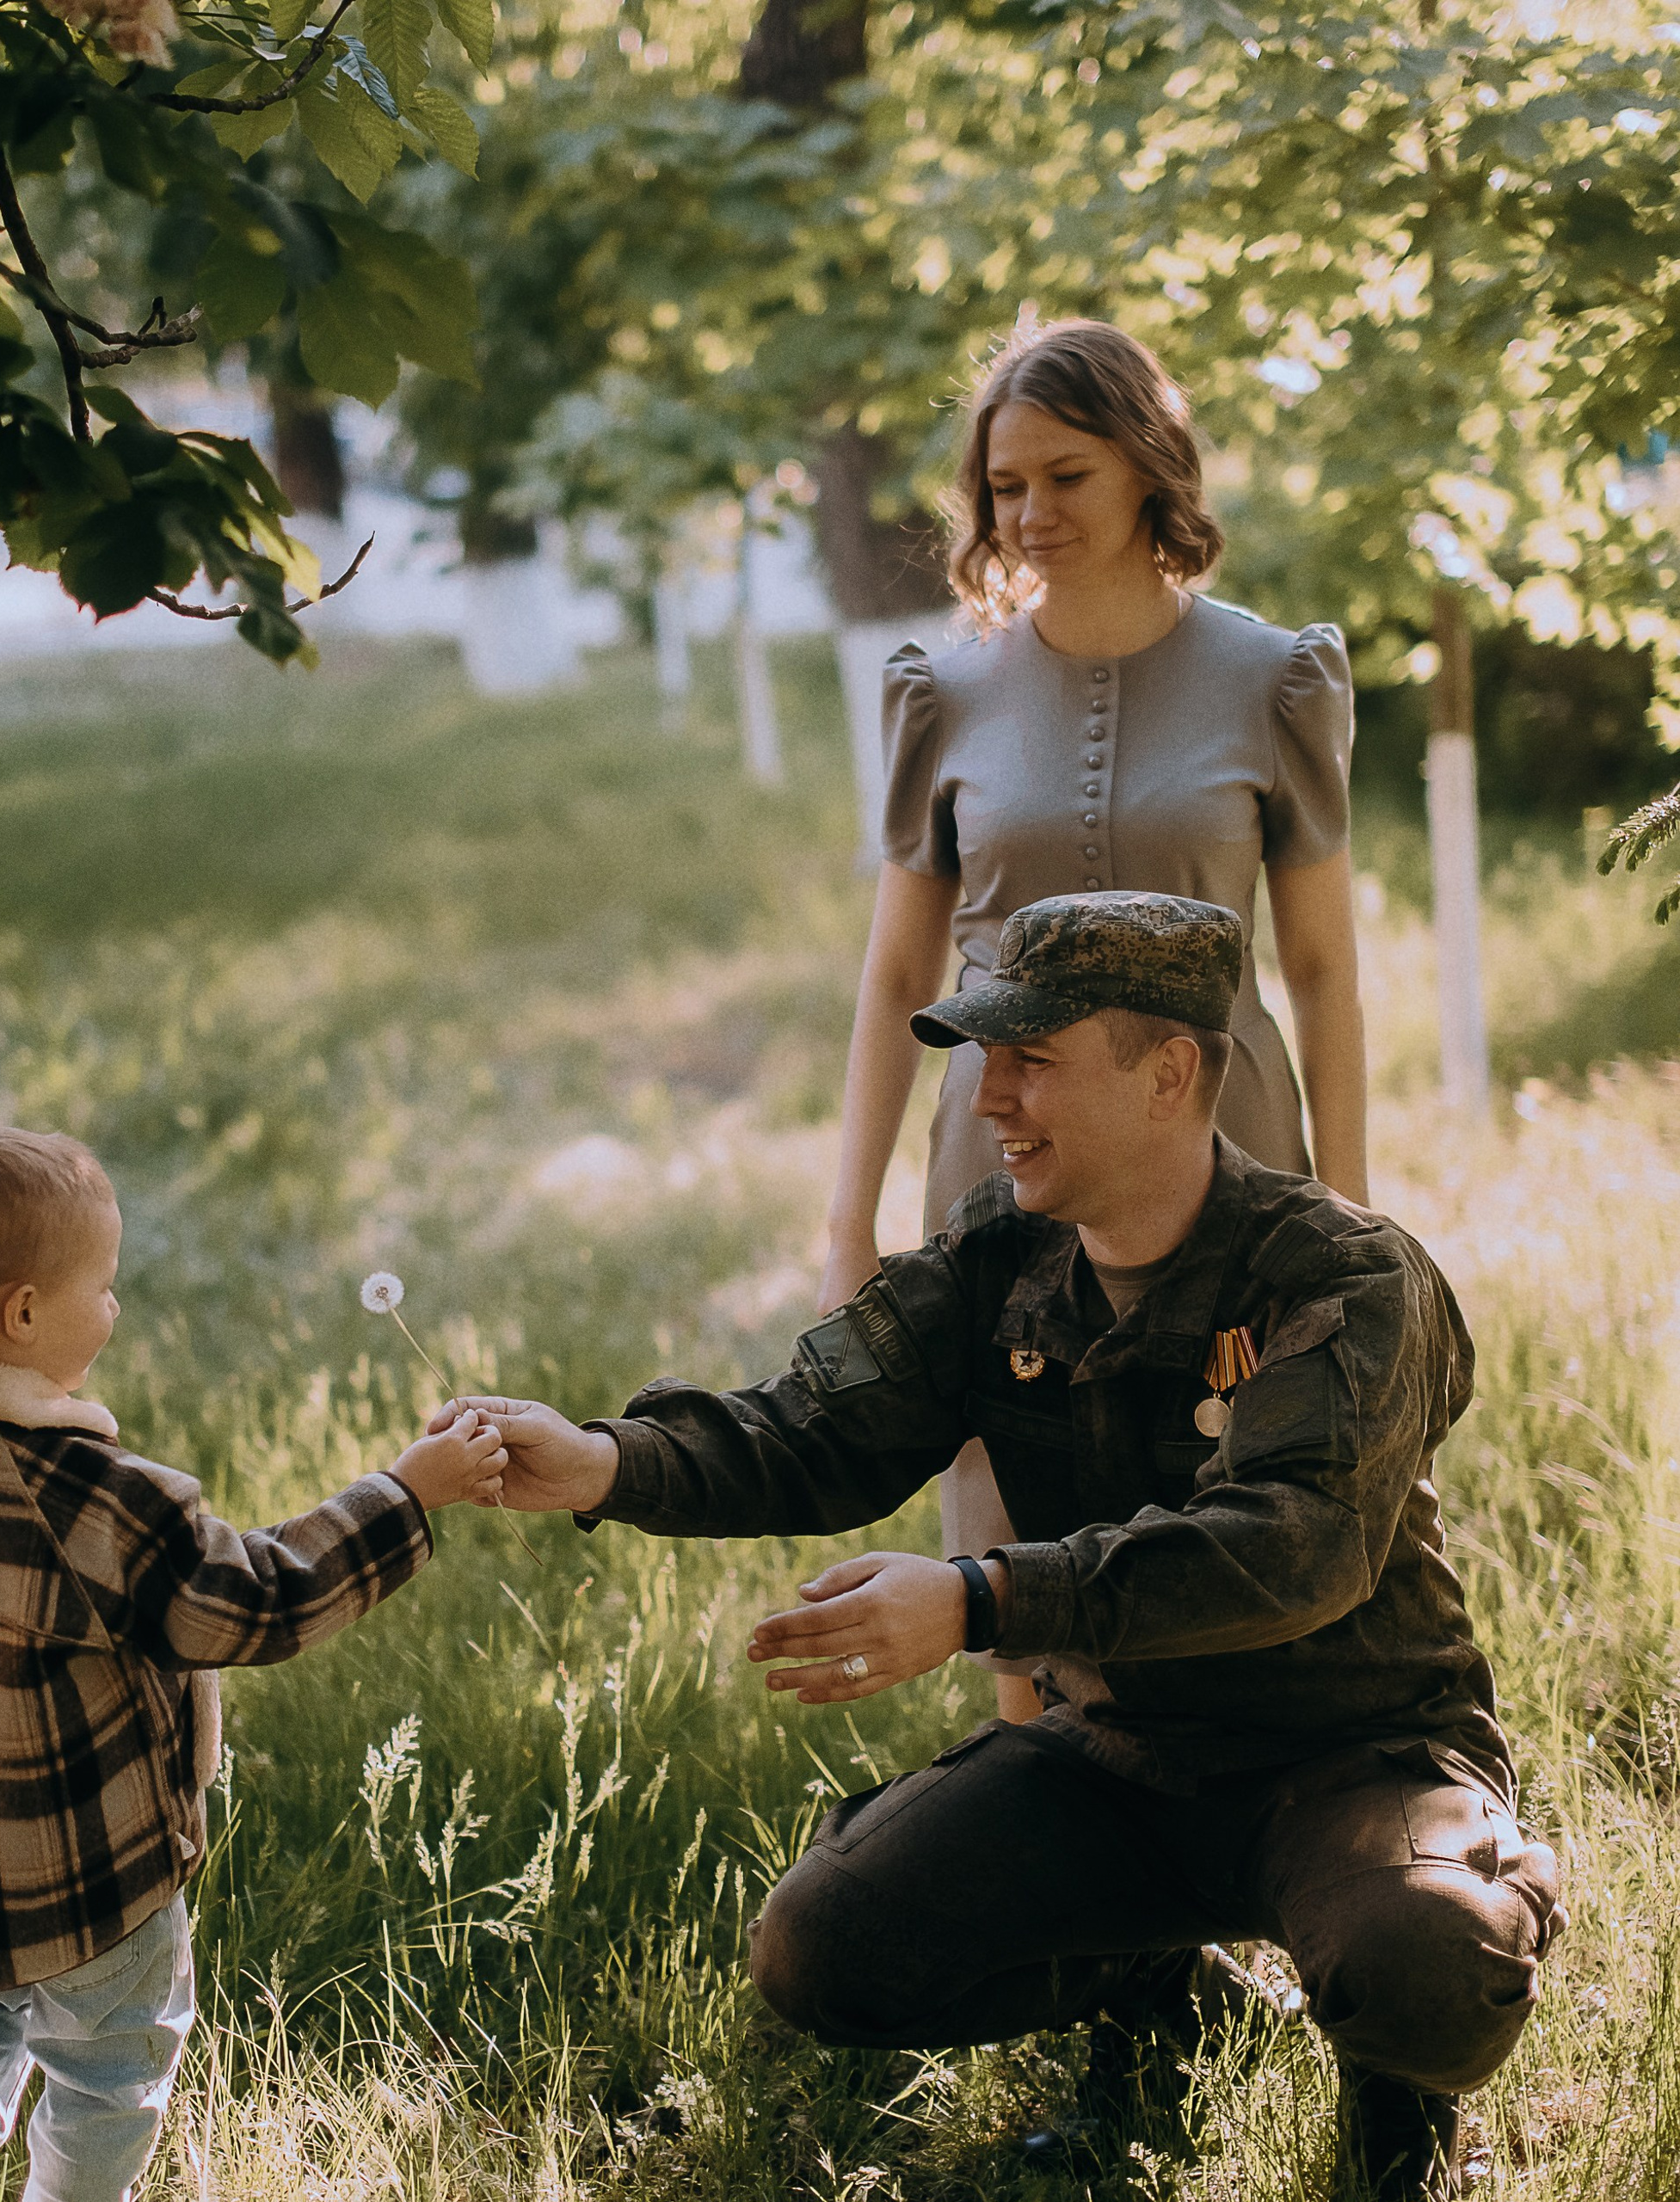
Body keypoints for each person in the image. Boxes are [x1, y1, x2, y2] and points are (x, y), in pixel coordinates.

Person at [448, 895, 1561, 2202]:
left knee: (1425, 1959)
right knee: (825, 1944)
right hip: (1125, 1760)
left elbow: (1288, 1550)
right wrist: (610, 1461)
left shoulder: (1344, 1278)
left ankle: (1402, 2108)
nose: (989, 1098)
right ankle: (1171, 2008)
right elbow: (814, 1426)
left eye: (1032, 1059)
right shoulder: (997, 1257)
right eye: (985, 1058)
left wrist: (981, 1600)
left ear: (1170, 1073)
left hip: (1351, 1757)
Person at [0, 1124, 508, 2202]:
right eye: (103, 1285)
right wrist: (407, 1491)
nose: (115, 1306)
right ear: (24, 1311)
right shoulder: (93, 1497)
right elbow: (255, 1600)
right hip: (90, 1875)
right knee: (110, 2066)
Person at [817, 318, 1370, 1725]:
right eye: (1005, 487)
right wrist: (847, 1222)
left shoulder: (1276, 679)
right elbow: (895, 979)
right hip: (999, 1161)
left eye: (1065, 477)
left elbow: (1321, 971)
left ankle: (1218, 1863)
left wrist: (1354, 1217)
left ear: (1146, 468)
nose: (1030, 515)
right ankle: (1053, 1888)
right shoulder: (941, 692)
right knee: (1007, 1540)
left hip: (1225, 1155)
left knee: (1230, 1518)